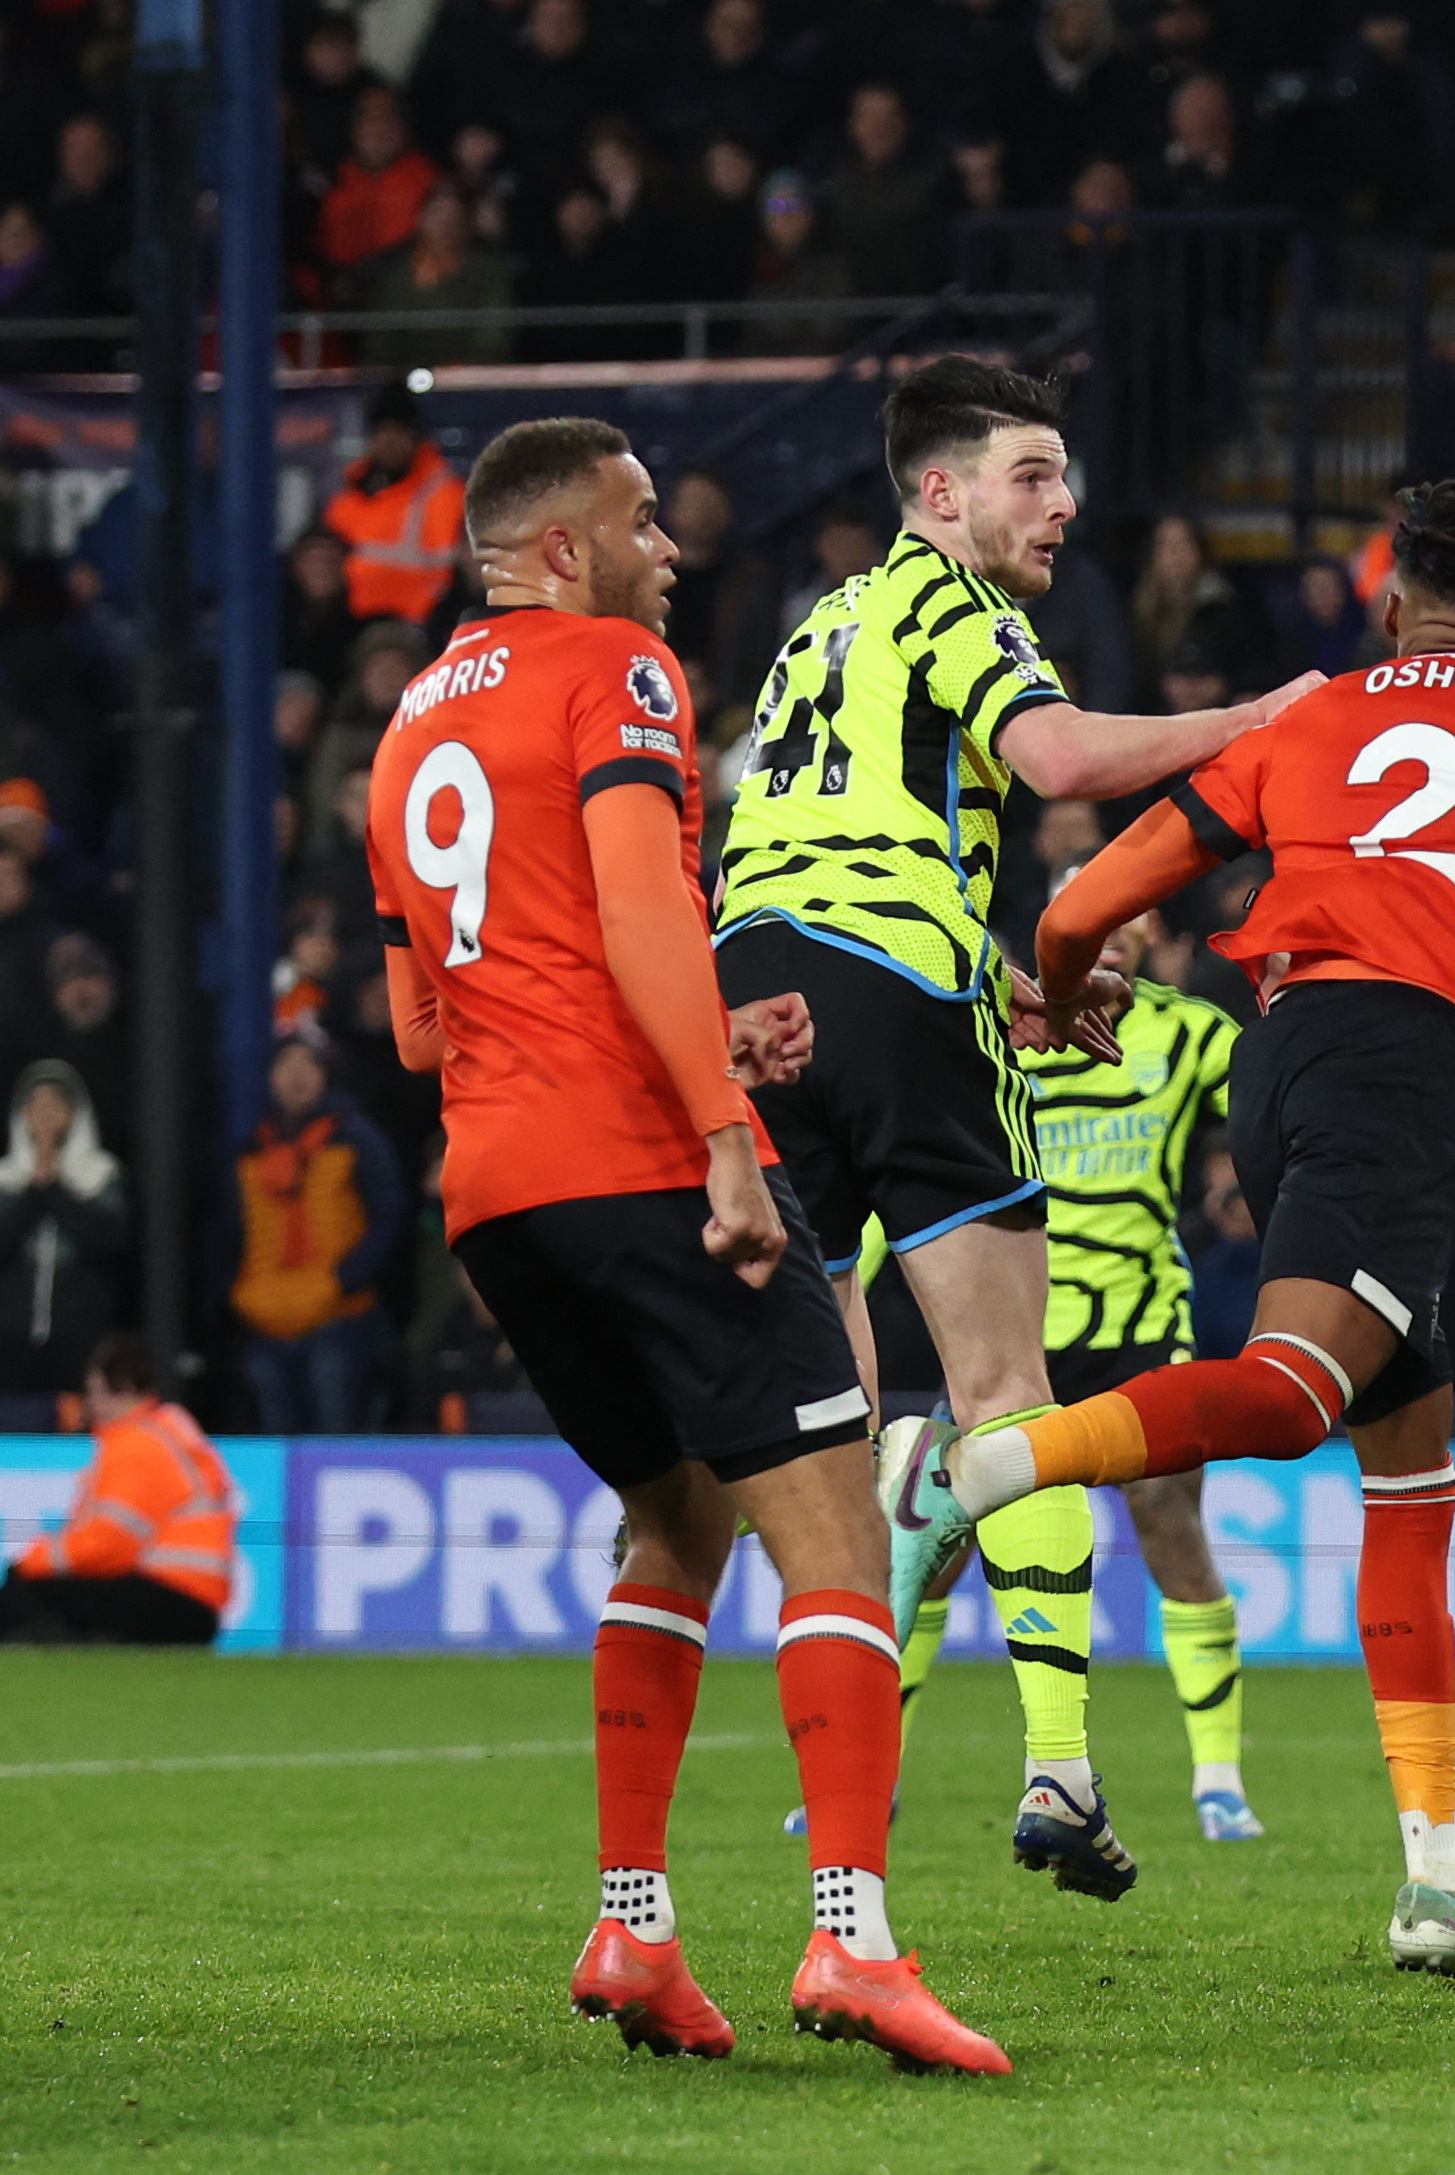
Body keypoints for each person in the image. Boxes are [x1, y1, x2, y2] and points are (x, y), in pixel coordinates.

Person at [884, 480, 1455, 1982]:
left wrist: (1068, 983)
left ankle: (1438, 1873)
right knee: (1292, 1393)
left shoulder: (1308, 720)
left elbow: (1090, 890)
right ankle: (967, 1464)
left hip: (1280, 1056)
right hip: (1413, 1068)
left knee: (1409, 1467)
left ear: (1398, 598)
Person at [367, 415, 1006, 2070]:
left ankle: (633, 1929)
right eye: (643, 522)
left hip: (497, 1195)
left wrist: (721, 1029)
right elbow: (644, 907)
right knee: (835, 1536)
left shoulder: (402, 731)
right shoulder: (615, 672)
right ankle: (853, 1942)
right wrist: (725, 1130)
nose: (672, 549)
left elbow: (424, 1030)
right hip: (652, 1167)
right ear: (563, 551)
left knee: (673, 1522)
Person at [713, 360, 1303, 1511]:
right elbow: (1062, 760)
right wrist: (1260, 717)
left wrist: (1008, 978)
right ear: (941, 495)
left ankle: (836, 1648)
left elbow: (839, 847)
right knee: (1006, 1404)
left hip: (752, 996)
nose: (1064, 505)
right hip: (897, 990)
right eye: (1030, 477)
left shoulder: (820, 625)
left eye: (1064, 479)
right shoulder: (950, 601)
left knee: (830, 1411)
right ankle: (1052, 1701)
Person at [927, 907, 1266, 1897]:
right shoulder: (999, 1026)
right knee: (940, 1543)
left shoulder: (1192, 1033)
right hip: (1014, 1321)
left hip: (1138, 1316)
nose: (1106, 935)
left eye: (1128, 920)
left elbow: (1263, 1103)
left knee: (1169, 1523)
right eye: (1084, 918)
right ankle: (877, 1778)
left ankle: (1218, 1780)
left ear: (1155, 938)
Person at [0, 1337, 228, 1646]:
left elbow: (110, 1542)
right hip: (193, 1599)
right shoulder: (168, 1431)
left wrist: (33, 1561)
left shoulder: (136, 1444)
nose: (91, 1405)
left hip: (171, 1595)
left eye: (96, 1392)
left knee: (27, 1591)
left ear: (124, 1389)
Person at [228, 1033, 404, 1432]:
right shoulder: (248, 1152)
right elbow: (226, 1234)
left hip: (339, 1319)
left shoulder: (358, 1140)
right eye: (285, 1065)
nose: (296, 1076)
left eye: (308, 1064)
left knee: (337, 1433)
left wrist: (343, 1281)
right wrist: (237, 1294)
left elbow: (389, 1217)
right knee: (273, 1439)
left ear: (327, 1075)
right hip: (264, 1321)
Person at [0, 1059, 124, 1397]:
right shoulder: (5, 1179)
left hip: (79, 1343)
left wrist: (54, 1188)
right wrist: (34, 1188)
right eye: (36, 1105)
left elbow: (108, 1244)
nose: (45, 1115)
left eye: (55, 1105)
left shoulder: (101, 1176)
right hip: (10, 1345)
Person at [323, 383, 465, 627]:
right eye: (381, 433)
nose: (390, 442)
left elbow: (453, 571)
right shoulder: (350, 492)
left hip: (421, 627)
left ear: (415, 438)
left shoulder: (445, 494)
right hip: (353, 623)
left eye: (399, 433)